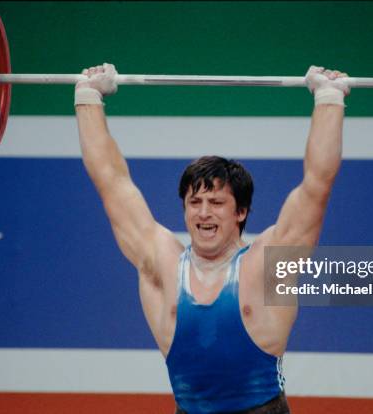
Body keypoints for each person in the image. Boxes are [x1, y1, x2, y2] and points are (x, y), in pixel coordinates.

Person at [74, 63, 349, 414]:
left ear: (241, 212)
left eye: (217, 203)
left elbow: (317, 185)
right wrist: (88, 97)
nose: (204, 213)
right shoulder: (162, 261)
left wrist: (328, 99)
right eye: (195, 202)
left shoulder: (268, 264)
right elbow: (110, 180)